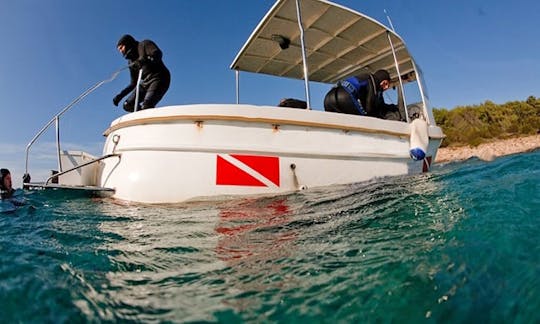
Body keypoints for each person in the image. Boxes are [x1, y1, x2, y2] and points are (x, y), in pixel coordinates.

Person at [113, 34, 171, 112]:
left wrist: (144, 60)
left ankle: (147, 110)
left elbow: (157, 54)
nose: (121, 51)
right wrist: (120, 96)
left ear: (127, 43)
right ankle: (144, 116)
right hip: (145, 83)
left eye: (121, 47)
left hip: (159, 78)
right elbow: (133, 83)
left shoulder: (144, 44)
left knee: (147, 104)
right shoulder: (131, 62)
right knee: (128, 105)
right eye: (119, 50)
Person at [324, 69, 400, 120]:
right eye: (388, 85)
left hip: (328, 98)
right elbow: (369, 107)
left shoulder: (364, 77)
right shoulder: (372, 81)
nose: (386, 88)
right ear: (385, 83)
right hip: (344, 97)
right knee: (364, 120)